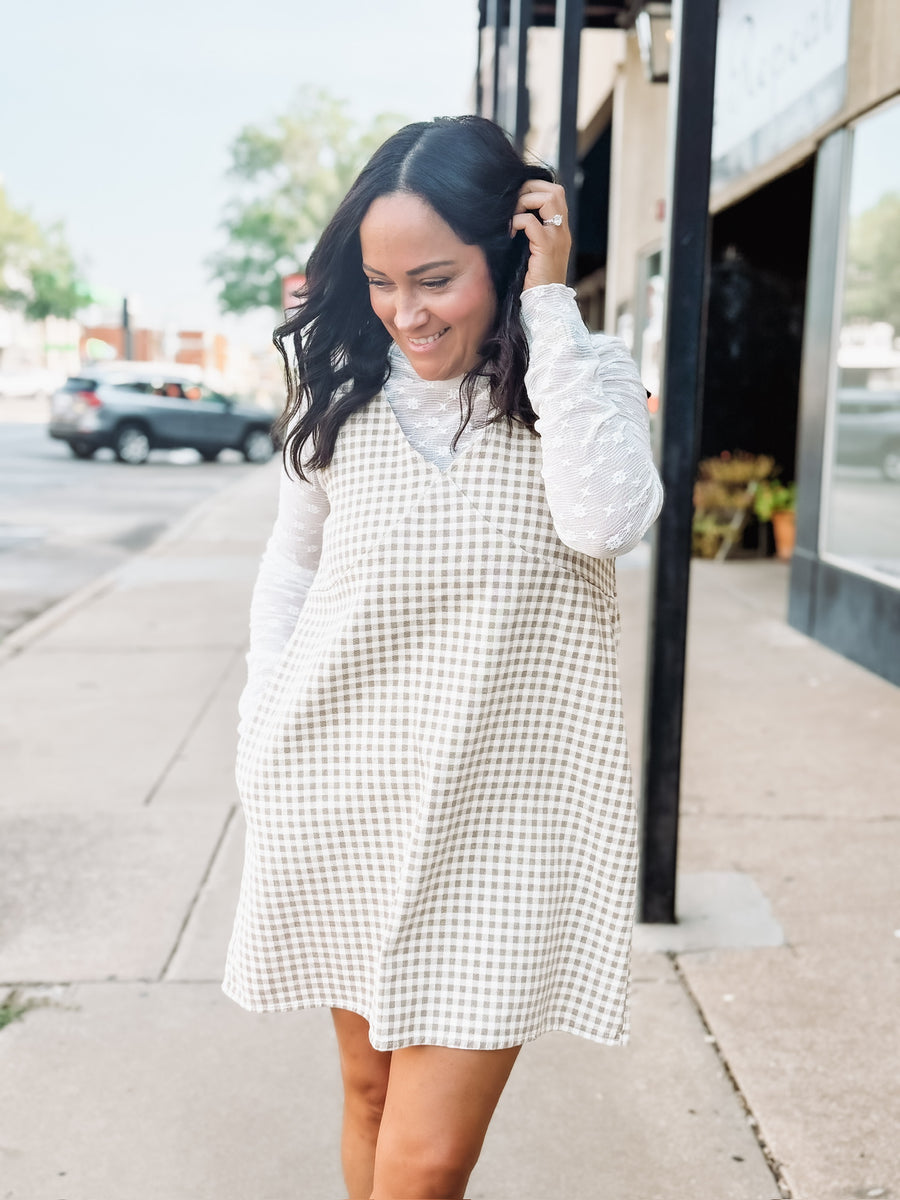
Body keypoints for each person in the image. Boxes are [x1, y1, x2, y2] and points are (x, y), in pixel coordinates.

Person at [223, 115, 663, 1200]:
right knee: (367, 1099)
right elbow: (290, 577)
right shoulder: (338, 396)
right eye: (379, 281)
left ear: (508, 252)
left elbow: (607, 523)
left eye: (435, 279)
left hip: (505, 824)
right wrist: (257, 747)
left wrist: (549, 304)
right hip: (344, 796)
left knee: (423, 1165)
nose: (405, 313)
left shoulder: (584, 384)